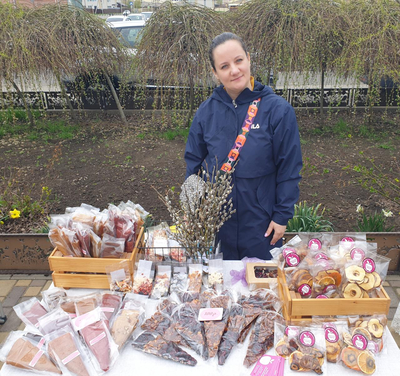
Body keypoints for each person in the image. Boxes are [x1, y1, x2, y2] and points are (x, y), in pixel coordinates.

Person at [184, 32, 303, 260]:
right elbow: (193, 164)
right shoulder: (206, 113)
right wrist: (191, 207)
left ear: (249, 58)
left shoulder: (278, 110)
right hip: (216, 222)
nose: (234, 70)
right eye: (225, 66)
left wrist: (281, 216)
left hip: (261, 223)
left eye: (239, 60)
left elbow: (289, 167)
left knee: (259, 288)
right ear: (215, 73)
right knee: (220, 287)